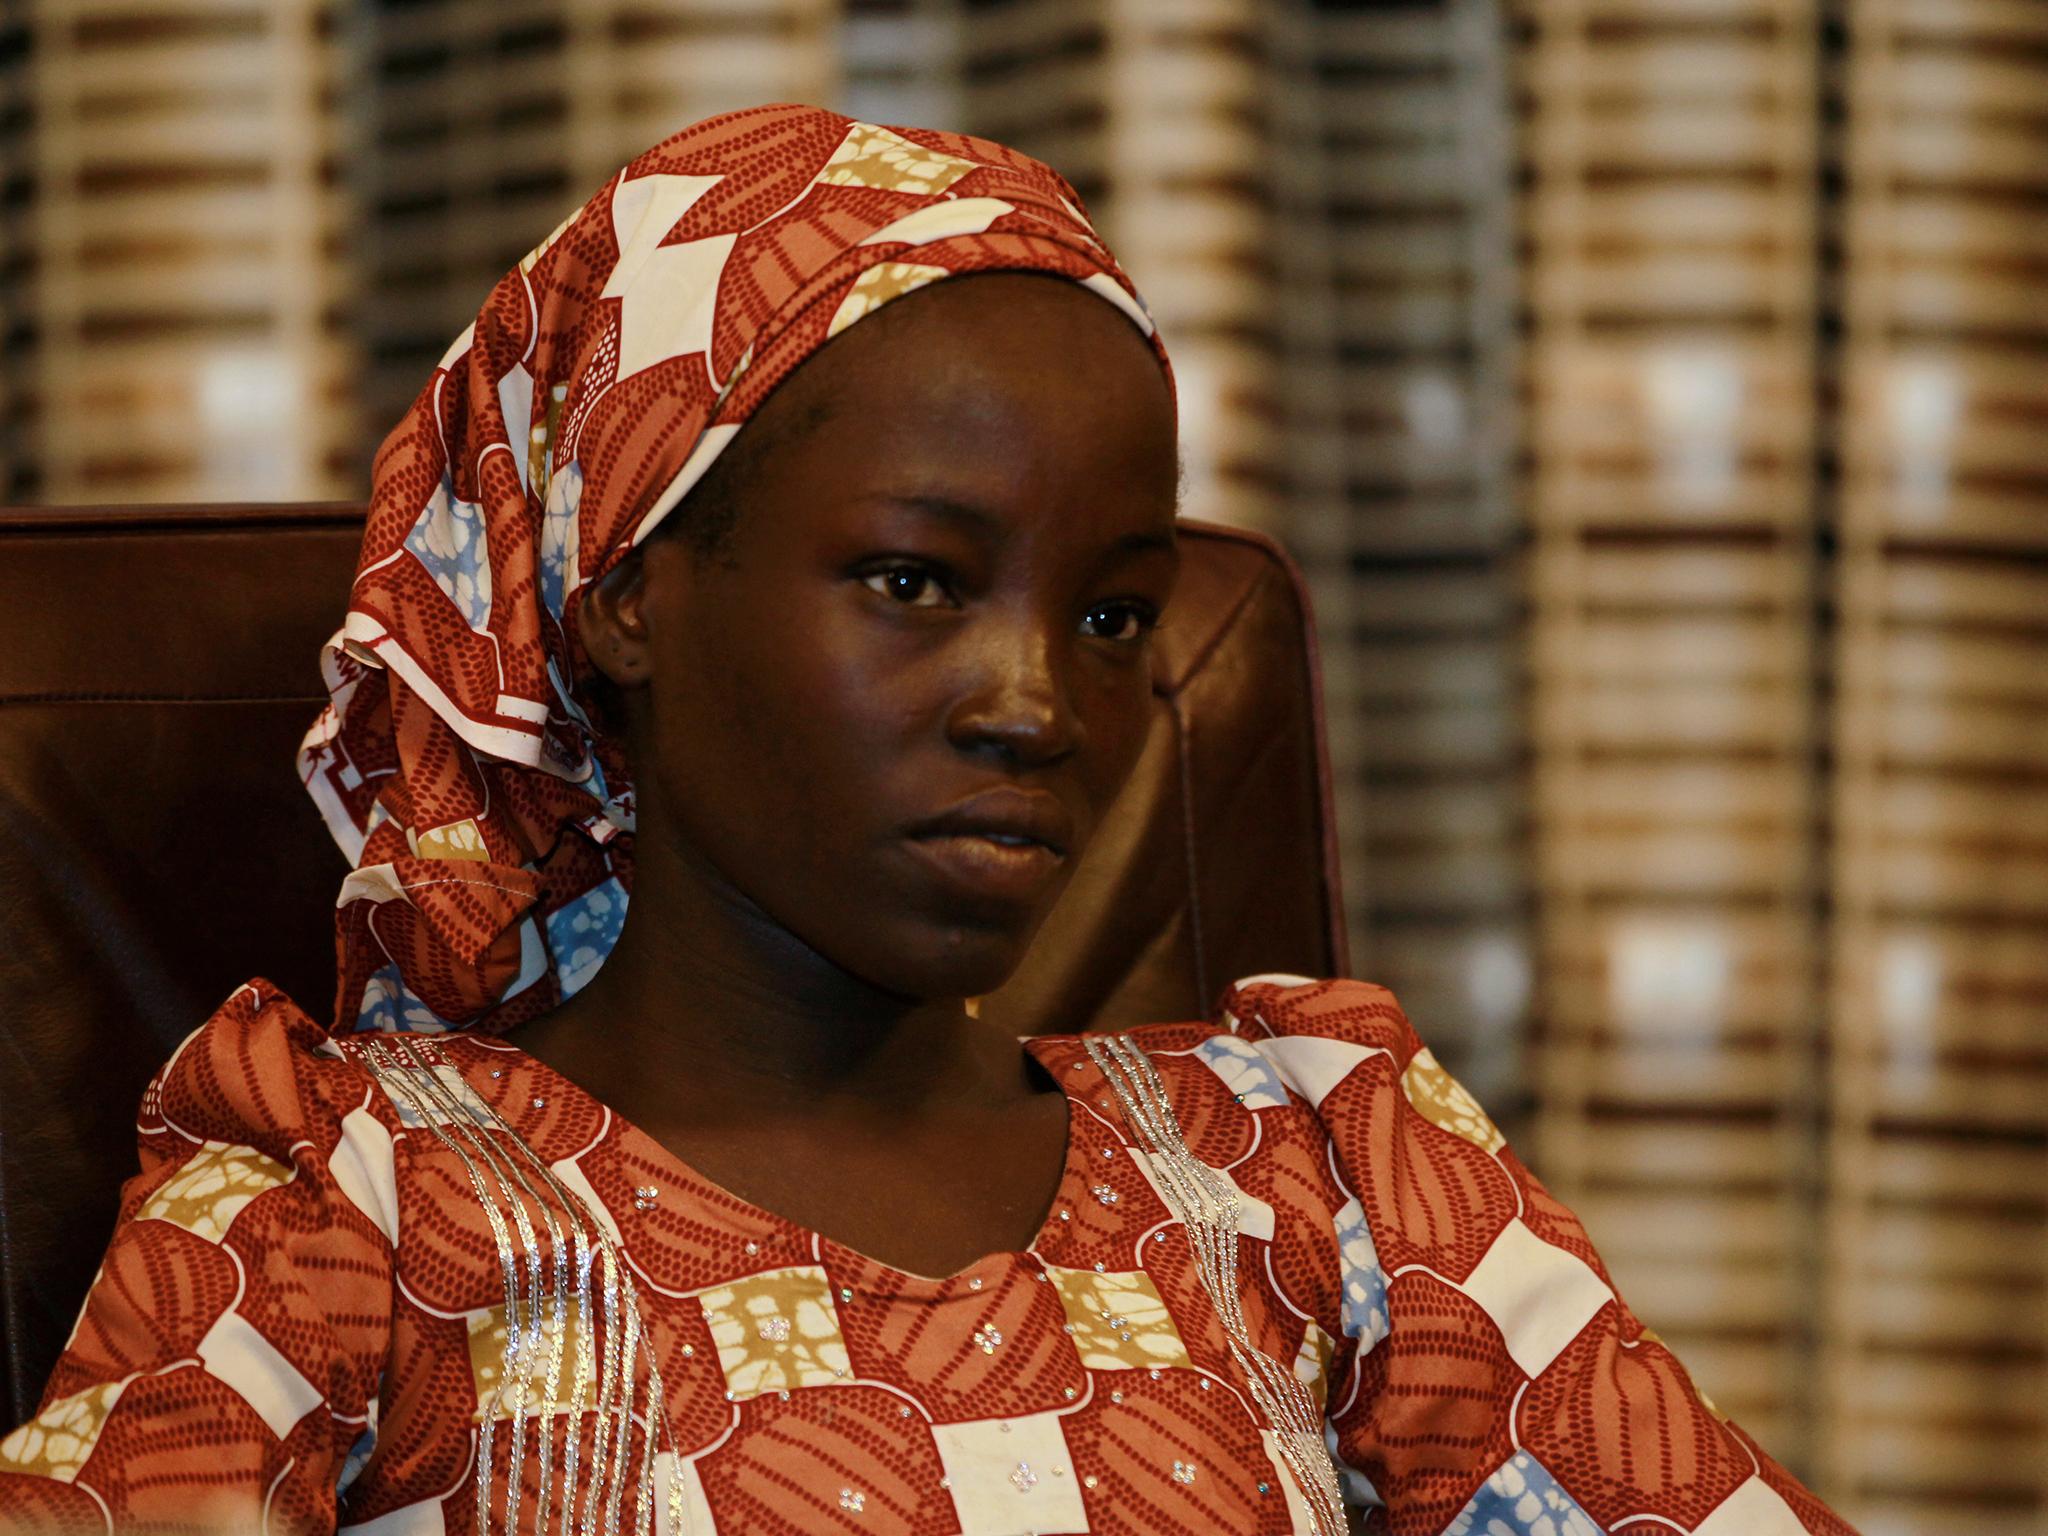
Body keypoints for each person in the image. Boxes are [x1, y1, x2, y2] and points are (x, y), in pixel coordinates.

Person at [0, 104, 1854, 1536]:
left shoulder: (1334, 1174)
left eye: (1113, 614)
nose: (1037, 702)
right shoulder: (353, 1206)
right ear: (626, 590)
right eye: (911, 582)